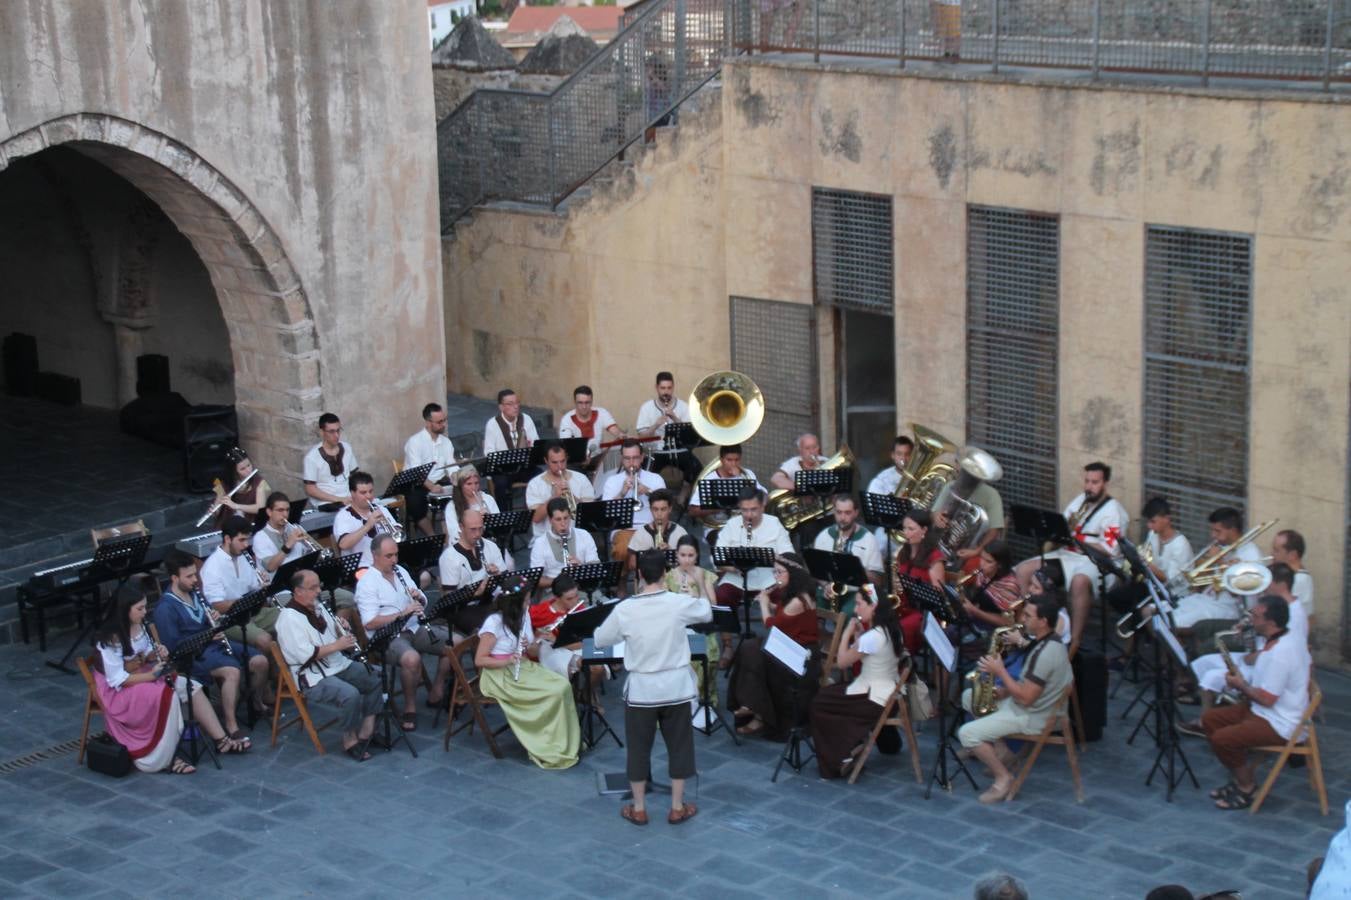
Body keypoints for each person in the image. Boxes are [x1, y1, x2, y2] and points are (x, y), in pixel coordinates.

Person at [596, 551, 711, 825]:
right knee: (680, 745)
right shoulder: (677, 603)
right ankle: (676, 806)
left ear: (638, 576)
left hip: (642, 690)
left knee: (638, 748)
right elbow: (706, 612)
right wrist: (700, 579)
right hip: (675, 687)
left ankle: (638, 808)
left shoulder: (626, 608)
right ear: (664, 574)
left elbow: (601, 638)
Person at [94, 593, 242, 773]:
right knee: (167, 694)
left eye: (145, 607)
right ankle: (169, 758)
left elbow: (146, 654)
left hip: (143, 676)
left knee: (190, 686)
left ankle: (221, 740)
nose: (144, 613)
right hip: (119, 691)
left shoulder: (141, 626)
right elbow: (117, 679)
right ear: (124, 611)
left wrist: (156, 653)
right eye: (139, 609)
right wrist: (152, 675)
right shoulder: (110, 638)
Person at [957, 592, 1073, 803]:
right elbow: (1033, 687)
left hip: (1033, 716)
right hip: (1027, 704)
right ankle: (1003, 751)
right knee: (969, 697)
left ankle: (1003, 778)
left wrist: (1000, 672)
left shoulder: (1045, 653)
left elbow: (1027, 698)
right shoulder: (1043, 643)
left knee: (968, 734)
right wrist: (1005, 691)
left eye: (1028, 616)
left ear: (1043, 621)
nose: (1022, 619)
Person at [1200, 595, 1310, 810]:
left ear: (1270, 622)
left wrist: (1241, 686)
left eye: (1256, 616)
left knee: (1223, 739)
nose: (1251, 619)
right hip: (1260, 710)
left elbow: (1268, 700)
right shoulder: (1278, 640)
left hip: (1280, 721)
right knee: (1210, 719)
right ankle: (1240, 777)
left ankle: (1247, 787)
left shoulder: (1280, 654)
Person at [153, 550, 270, 743]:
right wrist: (207, 635)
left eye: (194, 574)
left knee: (260, 661)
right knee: (232, 672)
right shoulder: (165, 608)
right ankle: (231, 724)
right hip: (194, 655)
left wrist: (215, 620)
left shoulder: (195, 594)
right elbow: (174, 647)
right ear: (174, 578)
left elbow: (207, 617)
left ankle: (252, 700)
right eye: (189, 576)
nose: (195, 580)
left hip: (213, 645)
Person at [1179, 564, 1309, 733]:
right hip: (1258, 658)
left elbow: (1284, 651)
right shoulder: (1278, 605)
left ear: (1280, 584)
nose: (1264, 588)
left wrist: (1252, 657)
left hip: (1265, 666)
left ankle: (1206, 723)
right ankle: (1217, 714)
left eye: (1267, 583)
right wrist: (1248, 625)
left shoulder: (1295, 615)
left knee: (1212, 677)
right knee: (1204, 662)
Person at [1015, 461, 1128, 654]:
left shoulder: (1114, 511)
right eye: (1087, 481)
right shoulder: (1079, 501)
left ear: (1105, 483)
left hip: (1098, 562)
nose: (1089, 487)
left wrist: (1078, 539)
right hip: (1069, 555)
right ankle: (1024, 626)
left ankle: (1074, 642)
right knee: (1023, 569)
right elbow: (1063, 525)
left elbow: (1110, 550)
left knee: (1079, 582)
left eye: (1095, 482)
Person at [276, 569, 382, 761]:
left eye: (319, 586)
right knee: (350, 694)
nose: (318, 591)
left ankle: (367, 731)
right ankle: (349, 739)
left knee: (375, 675)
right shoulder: (288, 619)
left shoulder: (318, 606)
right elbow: (305, 655)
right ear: (298, 591)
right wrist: (338, 645)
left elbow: (331, 636)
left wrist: (341, 629)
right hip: (313, 676)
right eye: (313, 587)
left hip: (336, 663)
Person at [474, 581, 580, 770]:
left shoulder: (522, 616)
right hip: (500, 675)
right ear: (515, 603)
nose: (529, 604)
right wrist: (507, 661)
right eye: (527, 600)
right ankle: (547, 743)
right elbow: (480, 660)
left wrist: (528, 644)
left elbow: (530, 648)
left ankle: (561, 740)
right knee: (553, 691)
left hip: (521, 666)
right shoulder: (494, 622)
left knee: (561, 684)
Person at [808, 583, 908, 779]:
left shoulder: (874, 636)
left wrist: (846, 632)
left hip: (873, 699)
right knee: (830, 696)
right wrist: (858, 636)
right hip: (887, 693)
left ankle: (841, 756)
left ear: (873, 607)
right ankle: (850, 747)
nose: (856, 609)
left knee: (819, 703)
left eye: (859, 604)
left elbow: (843, 662)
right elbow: (867, 652)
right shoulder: (891, 629)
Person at [354, 535, 451, 732]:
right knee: (411, 659)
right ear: (375, 556)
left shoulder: (401, 571)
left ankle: (437, 690)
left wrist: (419, 599)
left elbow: (421, 597)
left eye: (396, 555)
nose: (394, 560)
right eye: (388, 556)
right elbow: (370, 623)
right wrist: (401, 614)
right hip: (387, 637)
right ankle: (410, 707)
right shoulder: (367, 583)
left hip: (414, 627)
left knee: (453, 642)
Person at [727, 553, 820, 739]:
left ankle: (757, 712)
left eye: (779, 572)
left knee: (754, 655)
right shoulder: (793, 593)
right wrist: (770, 604)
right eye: (774, 571)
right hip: (786, 644)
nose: (776, 576)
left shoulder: (798, 600)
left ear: (793, 573)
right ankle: (752, 706)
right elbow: (782, 616)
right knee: (749, 648)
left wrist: (763, 603)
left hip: (801, 654)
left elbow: (771, 624)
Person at [713, 487, 794, 658]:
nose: (749, 514)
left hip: (769, 578)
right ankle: (728, 647)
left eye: (753, 509)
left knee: (785, 596)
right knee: (721, 596)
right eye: (744, 510)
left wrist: (773, 559)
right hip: (737, 577)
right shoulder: (732, 525)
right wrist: (733, 566)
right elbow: (717, 559)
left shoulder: (774, 523)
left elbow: (789, 555)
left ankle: (779, 646)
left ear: (762, 507)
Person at [1170, 507, 1263, 630]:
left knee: (1175, 623)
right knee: (1164, 613)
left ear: (1233, 530)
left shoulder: (1251, 555)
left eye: (1217, 531)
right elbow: (1201, 580)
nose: (1213, 535)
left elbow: (1240, 595)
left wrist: (1220, 562)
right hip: (1208, 599)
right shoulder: (1223, 546)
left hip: (1229, 609)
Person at [200, 517, 277, 659]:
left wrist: (263, 588)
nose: (246, 545)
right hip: (231, 621)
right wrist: (248, 601)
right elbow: (217, 606)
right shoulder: (212, 567)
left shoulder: (244, 558)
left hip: (255, 612)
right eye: (241, 540)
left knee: (290, 618)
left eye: (247, 540)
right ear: (228, 539)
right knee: (264, 640)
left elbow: (256, 590)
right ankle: (277, 678)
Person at [438, 508, 511, 639]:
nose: (478, 534)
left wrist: (498, 576)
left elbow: (507, 582)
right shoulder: (449, 557)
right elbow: (449, 598)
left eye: (480, 528)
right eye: (473, 529)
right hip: (463, 608)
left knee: (516, 614)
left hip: (489, 601)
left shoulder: (491, 546)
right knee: (487, 631)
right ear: (461, 527)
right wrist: (472, 594)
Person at [665, 534, 720, 704]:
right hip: (679, 629)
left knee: (709, 655)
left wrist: (699, 587)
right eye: (682, 555)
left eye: (691, 556)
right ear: (676, 555)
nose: (687, 560)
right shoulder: (670, 576)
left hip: (701, 628)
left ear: (697, 555)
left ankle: (703, 698)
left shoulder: (704, 574)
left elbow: (713, 606)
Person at [811, 494, 884, 617]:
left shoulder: (869, 539)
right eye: (839, 512)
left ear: (856, 513)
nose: (842, 518)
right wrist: (825, 586)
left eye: (847, 513)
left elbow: (878, 580)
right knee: (809, 609)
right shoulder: (824, 536)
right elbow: (815, 571)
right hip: (828, 589)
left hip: (858, 591)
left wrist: (857, 569)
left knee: (848, 614)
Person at [892, 509, 946, 654]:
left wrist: (913, 588)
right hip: (903, 605)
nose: (906, 533)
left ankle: (902, 666)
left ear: (924, 530)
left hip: (924, 612)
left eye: (911, 529)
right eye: (904, 528)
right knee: (873, 617)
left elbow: (938, 594)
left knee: (900, 628)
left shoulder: (935, 558)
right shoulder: (903, 552)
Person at [635, 370, 697, 495]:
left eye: (669, 388)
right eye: (663, 388)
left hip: (679, 451)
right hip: (656, 451)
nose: (666, 392)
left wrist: (674, 418)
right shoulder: (646, 407)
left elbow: (690, 435)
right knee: (645, 474)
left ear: (673, 387)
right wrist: (656, 424)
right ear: (657, 388)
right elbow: (641, 436)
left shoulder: (683, 406)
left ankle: (682, 499)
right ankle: (654, 500)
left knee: (696, 470)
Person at [600, 439, 666, 556]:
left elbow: (666, 507)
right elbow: (605, 513)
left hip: (651, 528)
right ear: (622, 459)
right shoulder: (612, 481)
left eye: (635, 458)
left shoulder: (655, 478)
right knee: (623, 550)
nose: (631, 463)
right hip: (623, 530)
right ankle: (626, 574)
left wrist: (649, 492)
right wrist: (622, 493)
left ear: (642, 457)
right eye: (627, 458)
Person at [402, 402, 458, 536]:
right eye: (439, 422)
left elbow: (451, 465)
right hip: (417, 482)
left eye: (444, 420)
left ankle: (451, 537)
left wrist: (456, 477)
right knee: (415, 504)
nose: (443, 424)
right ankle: (433, 538)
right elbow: (416, 472)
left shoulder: (446, 442)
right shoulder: (414, 442)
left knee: (460, 494)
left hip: (439, 480)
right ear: (428, 422)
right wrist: (431, 486)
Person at [525, 441, 595, 540]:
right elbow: (535, 518)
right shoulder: (535, 484)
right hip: (546, 539)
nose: (560, 466)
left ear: (566, 458)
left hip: (577, 537)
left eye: (562, 461)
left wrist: (572, 496)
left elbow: (590, 515)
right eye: (554, 462)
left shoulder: (581, 479)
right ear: (546, 461)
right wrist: (554, 497)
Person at [528, 497, 601, 591]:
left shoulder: (584, 535)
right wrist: (560, 582)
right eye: (558, 519)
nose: (563, 524)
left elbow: (596, 567)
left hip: (584, 588)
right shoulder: (540, 543)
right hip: (554, 593)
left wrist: (581, 568)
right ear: (550, 520)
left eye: (566, 518)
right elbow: (536, 579)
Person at [688, 444, 765, 531]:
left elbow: (764, 496)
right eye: (729, 460)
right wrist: (718, 507)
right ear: (721, 460)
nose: (733, 464)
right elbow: (692, 511)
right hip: (716, 528)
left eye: (737, 460)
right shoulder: (709, 479)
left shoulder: (747, 475)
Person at [482, 388, 538, 504]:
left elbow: (536, 443)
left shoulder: (526, 419)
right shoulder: (492, 424)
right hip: (503, 470)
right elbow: (488, 452)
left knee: (542, 476)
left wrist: (529, 446)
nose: (516, 406)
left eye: (517, 402)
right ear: (501, 407)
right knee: (501, 484)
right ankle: (504, 515)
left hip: (524, 467)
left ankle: (536, 509)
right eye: (510, 404)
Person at [559, 384, 624, 476]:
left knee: (618, 457)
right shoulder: (567, 420)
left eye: (587, 402)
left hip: (597, 459)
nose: (584, 406)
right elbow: (567, 446)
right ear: (575, 402)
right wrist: (581, 458)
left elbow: (615, 430)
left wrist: (621, 435)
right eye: (580, 403)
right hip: (575, 463)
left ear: (592, 401)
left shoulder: (601, 412)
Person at [959, 540, 1023, 632]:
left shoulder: (1010, 586)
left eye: (988, 561)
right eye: (982, 558)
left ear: (1000, 565)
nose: (982, 564)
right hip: (975, 622)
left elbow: (1007, 622)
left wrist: (974, 611)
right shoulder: (982, 573)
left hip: (991, 631)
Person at [303, 413, 360, 507]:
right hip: (326, 503)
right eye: (332, 431)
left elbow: (355, 476)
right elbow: (310, 489)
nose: (336, 435)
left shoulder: (347, 448)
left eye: (338, 430)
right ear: (322, 432)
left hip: (348, 499)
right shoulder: (311, 457)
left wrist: (357, 495)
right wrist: (339, 500)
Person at [332, 471, 386, 570]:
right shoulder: (343, 516)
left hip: (385, 564)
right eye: (363, 493)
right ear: (352, 493)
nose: (369, 496)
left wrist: (393, 529)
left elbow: (397, 534)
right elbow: (343, 544)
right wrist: (368, 525)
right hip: (360, 568)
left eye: (371, 491)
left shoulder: (380, 509)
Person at [211, 447, 269, 529]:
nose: (248, 470)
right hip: (227, 526)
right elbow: (217, 508)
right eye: (242, 469)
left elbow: (260, 508)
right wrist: (214, 511)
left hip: (248, 526)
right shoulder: (222, 483)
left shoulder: (259, 482)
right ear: (233, 471)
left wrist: (236, 506)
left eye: (249, 465)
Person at [444, 465, 500, 544]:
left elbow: (499, 525)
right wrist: (476, 520)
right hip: (464, 545)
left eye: (476, 483)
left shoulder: (487, 499)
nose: (474, 487)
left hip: (488, 541)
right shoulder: (452, 506)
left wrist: (488, 519)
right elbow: (454, 533)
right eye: (469, 484)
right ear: (461, 486)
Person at [1271, 529, 1315, 626]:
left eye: (1276, 550)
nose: (1272, 555)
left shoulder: (1300, 579)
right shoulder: (1291, 575)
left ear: (1292, 555)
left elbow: (1276, 611)